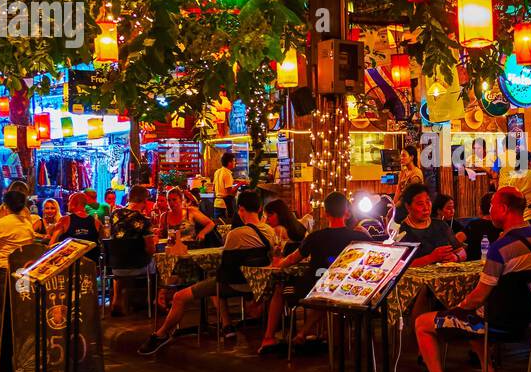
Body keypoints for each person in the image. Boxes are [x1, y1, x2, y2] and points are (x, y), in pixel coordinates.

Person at [409, 187, 531, 372]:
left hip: (498, 323)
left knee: (423, 323)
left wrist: (456, 308)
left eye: (493, 205)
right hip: (530, 318)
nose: (490, 210)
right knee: (471, 313)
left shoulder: (500, 247)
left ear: (503, 209)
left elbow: (478, 296)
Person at [138, 191, 278, 354]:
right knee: (214, 280)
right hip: (258, 284)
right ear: (260, 208)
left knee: (179, 296)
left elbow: (226, 265)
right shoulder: (270, 231)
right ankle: (227, 325)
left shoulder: (235, 234)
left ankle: (161, 334)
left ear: (240, 209)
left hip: (234, 284)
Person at [258, 192, 367, 352]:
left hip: (314, 287)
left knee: (281, 289)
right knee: (328, 292)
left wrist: (277, 264)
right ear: (346, 212)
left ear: (325, 213)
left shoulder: (315, 237)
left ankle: (269, 338)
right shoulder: (359, 236)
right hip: (349, 289)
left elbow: (292, 259)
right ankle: (313, 335)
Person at [0, 190, 38, 356]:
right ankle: (19, 341)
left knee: (0, 308)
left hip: (2, 268)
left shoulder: (2, 223)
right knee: (20, 307)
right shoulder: (26, 223)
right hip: (22, 271)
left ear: (5, 205)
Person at [107, 185, 157, 316]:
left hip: (115, 266)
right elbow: (150, 250)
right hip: (137, 265)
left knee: (122, 260)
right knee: (159, 264)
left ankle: (116, 300)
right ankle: (156, 301)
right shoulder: (143, 221)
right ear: (144, 200)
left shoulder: (114, 215)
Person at [397, 184, 464, 264]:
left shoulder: (441, 225)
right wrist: (431, 258)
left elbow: (461, 251)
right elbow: (400, 264)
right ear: (408, 206)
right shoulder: (401, 231)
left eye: (428, 201)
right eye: (420, 204)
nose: (426, 208)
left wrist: (456, 257)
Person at [462, 190, 502, 260]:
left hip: (474, 264)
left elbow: (456, 240)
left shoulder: (474, 224)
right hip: (496, 264)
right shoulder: (502, 226)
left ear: (480, 208)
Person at [392, 144, 424, 211]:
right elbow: (398, 189)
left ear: (411, 157)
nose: (401, 158)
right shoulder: (403, 171)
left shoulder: (416, 173)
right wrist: (393, 204)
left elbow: (408, 195)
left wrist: (395, 208)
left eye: (404, 155)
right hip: (402, 203)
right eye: (401, 155)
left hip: (411, 206)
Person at [213, 151, 239, 223]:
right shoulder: (227, 174)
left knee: (218, 225)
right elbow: (230, 192)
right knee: (226, 226)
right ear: (229, 162)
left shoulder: (217, 172)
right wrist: (240, 184)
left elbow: (213, 188)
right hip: (225, 205)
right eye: (234, 161)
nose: (235, 163)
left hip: (217, 203)